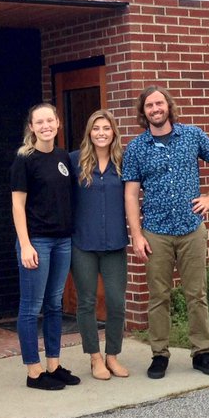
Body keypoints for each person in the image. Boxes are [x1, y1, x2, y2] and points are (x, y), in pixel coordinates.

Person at [123, 85, 209, 379]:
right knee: (158, 296)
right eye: (149, 106)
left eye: (159, 103)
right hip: (155, 232)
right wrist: (136, 235)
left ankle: (202, 353)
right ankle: (159, 355)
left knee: (197, 294)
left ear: (168, 106)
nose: (155, 109)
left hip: (191, 228)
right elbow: (131, 194)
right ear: (143, 112)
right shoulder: (136, 148)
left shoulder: (192, 135)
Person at [9, 103, 79, 391]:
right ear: (32, 127)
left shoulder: (62, 156)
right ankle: (34, 372)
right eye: (39, 122)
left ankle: (53, 365)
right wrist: (25, 245)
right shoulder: (24, 160)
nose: (46, 126)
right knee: (31, 307)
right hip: (37, 241)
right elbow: (17, 205)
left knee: (54, 304)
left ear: (58, 123)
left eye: (50, 120)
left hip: (62, 241)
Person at [69, 109, 130, 381]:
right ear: (89, 133)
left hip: (114, 243)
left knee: (116, 302)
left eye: (106, 128)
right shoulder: (74, 161)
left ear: (113, 132)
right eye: (96, 128)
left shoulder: (124, 162)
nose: (101, 133)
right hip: (83, 242)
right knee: (87, 302)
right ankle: (95, 357)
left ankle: (112, 355)